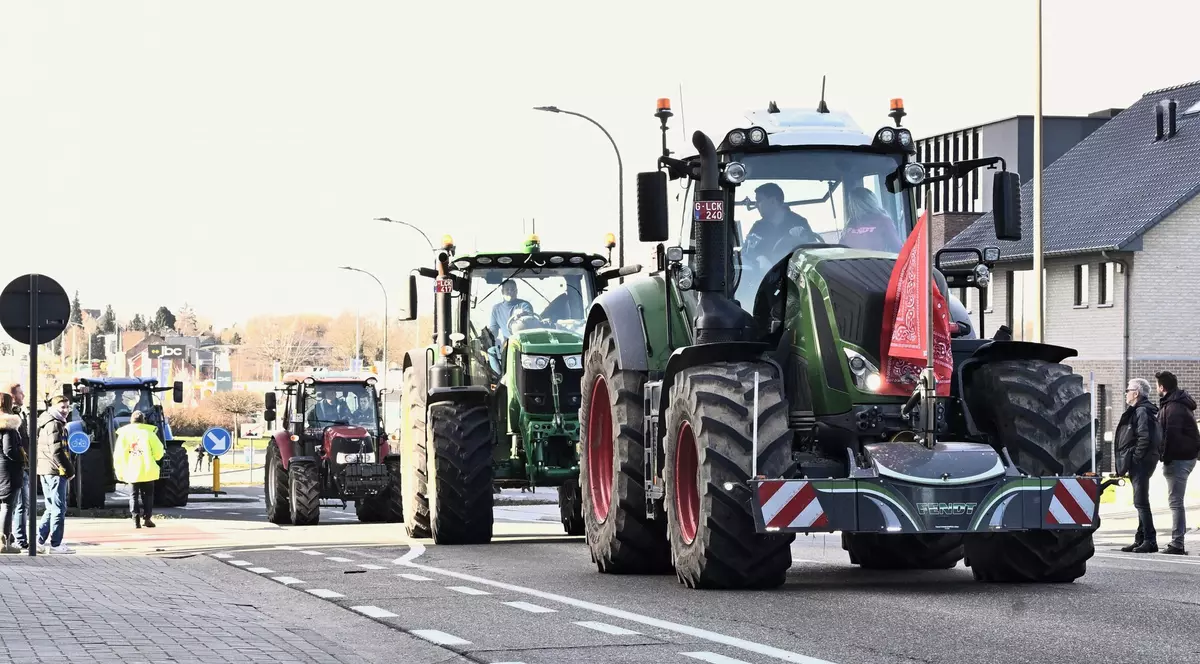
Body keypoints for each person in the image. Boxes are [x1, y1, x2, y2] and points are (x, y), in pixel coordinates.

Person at [1115, 378, 1163, 553]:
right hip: (1143, 460)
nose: (1126, 393)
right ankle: (1141, 539)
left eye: (1128, 390)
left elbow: (1144, 437)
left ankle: (1150, 540)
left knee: (1141, 502)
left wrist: (1135, 458)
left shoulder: (1142, 411)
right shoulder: (1142, 410)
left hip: (1142, 461)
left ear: (1136, 393)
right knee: (1140, 501)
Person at [1156, 370, 1199, 555]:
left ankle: (1177, 543)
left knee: (1176, 501)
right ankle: (1177, 541)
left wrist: (1163, 456)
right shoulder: (1176, 403)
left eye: (1157, 384)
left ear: (1162, 387)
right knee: (1176, 501)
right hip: (1183, 457)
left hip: (1179, 458)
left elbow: (1169, 435)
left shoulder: (1173, 407)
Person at [741, 182, 823, 270]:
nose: (756, 205)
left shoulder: (799, 222)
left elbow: (812, 251)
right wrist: (759, 257)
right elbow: (745, 252)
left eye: (759, 200)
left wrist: (800, 239)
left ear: (773, 201)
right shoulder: (758, 227)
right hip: (763, 279)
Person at [36, 395, 75, 554]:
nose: (66, 411)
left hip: (46, 469)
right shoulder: (54, 424)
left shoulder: (47, 421)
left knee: (51, 507)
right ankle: (56, 544)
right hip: (55, 471)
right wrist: (69, 470)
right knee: (59, 508)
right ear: (53, 408)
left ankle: (39, 541)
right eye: (62, 407)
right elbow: (57, 451)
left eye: (67, 407)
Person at [113, 410, 165, 529]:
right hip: (148, 469)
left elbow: (118, 455)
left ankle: (135, 520)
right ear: (143, 421)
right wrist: (155, 458)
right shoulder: (149, 433)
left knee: (133, 495)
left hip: (131, 470)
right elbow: (159, 452)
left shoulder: (123, 435)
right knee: (148, 495)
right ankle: (147, 518)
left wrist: (119, 470)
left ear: (131, 421)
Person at [842, 186, 903, 253]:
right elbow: (841, 250)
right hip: (851, 263)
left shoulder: (883, 220)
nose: (850, 206)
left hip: (876, 263)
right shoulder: (850, 223)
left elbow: (897, 248)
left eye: (852, 202)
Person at [6, 382, 30, 551]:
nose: (24, 396)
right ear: (13, 396)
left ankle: (16, 537)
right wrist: (22, 460)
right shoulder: (11, 418)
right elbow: (10, 447)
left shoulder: (21, 414)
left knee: (21, 504)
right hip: (15, 467)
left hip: (21, 465)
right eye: (21, 393)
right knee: (15, 505)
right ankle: (16, 538)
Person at [0, 393, 22, 553]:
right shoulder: (9, 425)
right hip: (7, 469)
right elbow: (9, 450)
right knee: (7, 505)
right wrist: (21, 458)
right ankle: (3, 541)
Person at [487, 280, 534, 345]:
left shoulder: (524, 305)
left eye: (512, 289)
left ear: (516, 291)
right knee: (491, 351)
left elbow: (530, 319)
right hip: (508, 344)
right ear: (502, 291)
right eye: (507, 289)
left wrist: (523, 314)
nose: (510, 292)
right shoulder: (496, 309)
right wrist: (488, 334)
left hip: (525, 343)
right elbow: (494, 329)